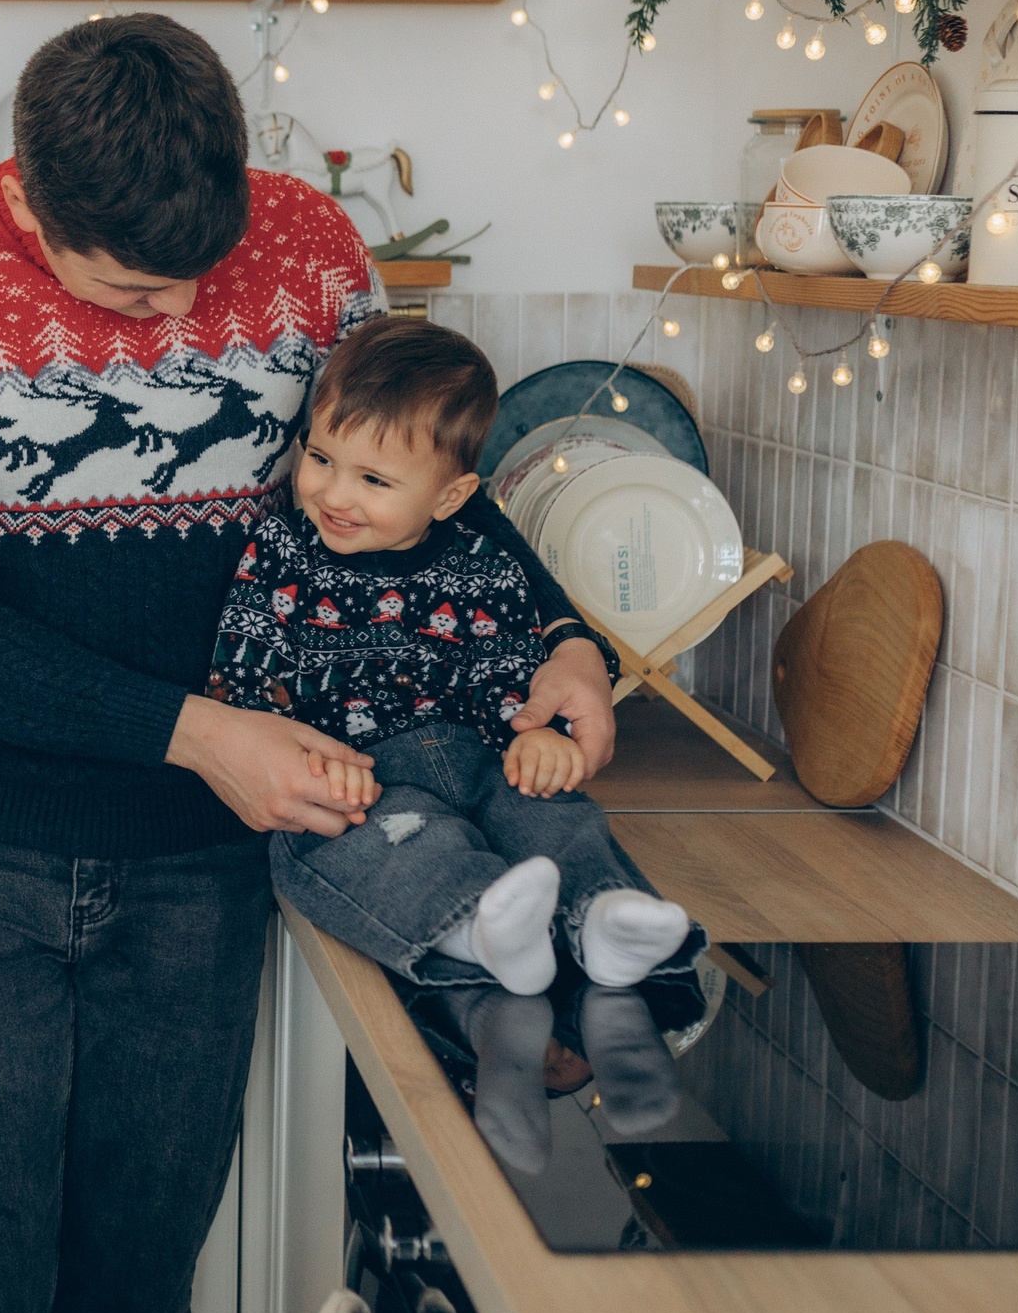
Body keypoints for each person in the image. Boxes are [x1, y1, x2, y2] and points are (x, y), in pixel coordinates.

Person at [0, 12, 622, 1313]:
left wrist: (562, 640)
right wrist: (197, 731)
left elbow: (418, 479)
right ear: (24, 196)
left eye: (202, 275)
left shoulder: (310, 249)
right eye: (135, 295)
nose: (181, 318)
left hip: (198, 869)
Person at [212, 318, 700, 1169]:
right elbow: (242, 671)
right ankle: (478, 926)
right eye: (321, 457)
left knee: (553, 816)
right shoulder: (283, 551)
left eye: (372, 478)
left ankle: (604, 918)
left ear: (449, 496)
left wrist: (539, 741)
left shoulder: (485, 563)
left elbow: (517, 678)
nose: (332, 491)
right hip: (361, 774)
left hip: (475, 756)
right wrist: (291, 744)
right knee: (395, 839)